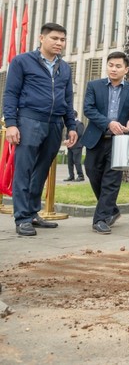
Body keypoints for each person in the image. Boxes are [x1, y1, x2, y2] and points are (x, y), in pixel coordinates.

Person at [3, 23, 77, 237]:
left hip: (55, 124)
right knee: (24, 169)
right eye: (54, 38)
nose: (59, 43)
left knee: (41, 170)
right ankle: (22, 218)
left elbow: (67, 99)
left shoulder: (65, 68)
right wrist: (11, 123)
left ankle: (33, 212)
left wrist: (71, 126)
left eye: (62, 39)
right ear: (41, 38)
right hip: (29, 120)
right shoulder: (22, 62)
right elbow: (11, 94)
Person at [80, 51, 129, 234]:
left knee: (111, 180)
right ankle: (112, 209)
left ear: (126, 69)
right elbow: (88, 109)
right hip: (96, 138)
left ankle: (101, 219)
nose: (113, 69)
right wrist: (108, 122)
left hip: (119, 142)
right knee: (92, 173)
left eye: (118, 66)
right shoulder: (94, 86)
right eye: (111, 65)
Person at [63, 111, 85, 182]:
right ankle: (71, 176)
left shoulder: (80, 124)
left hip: (77, 146)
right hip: (70, 146)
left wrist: (69, 140)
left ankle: (81, 176)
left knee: (77, 161)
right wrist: (67, 141)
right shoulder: (70, 125)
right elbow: (68, 134)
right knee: (70, 162)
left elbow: (79, 134)